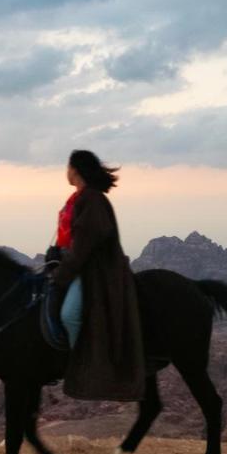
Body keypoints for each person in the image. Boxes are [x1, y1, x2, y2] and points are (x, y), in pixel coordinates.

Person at [47, 150, 145, 402]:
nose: (65, 172)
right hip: (77, 264)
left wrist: (62, 273)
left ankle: (85, 363)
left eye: (67, 167)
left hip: (95, 271)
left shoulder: (91, 200)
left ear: (75, 169)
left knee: (69, 315)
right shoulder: (78, 198)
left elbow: (85, 245)